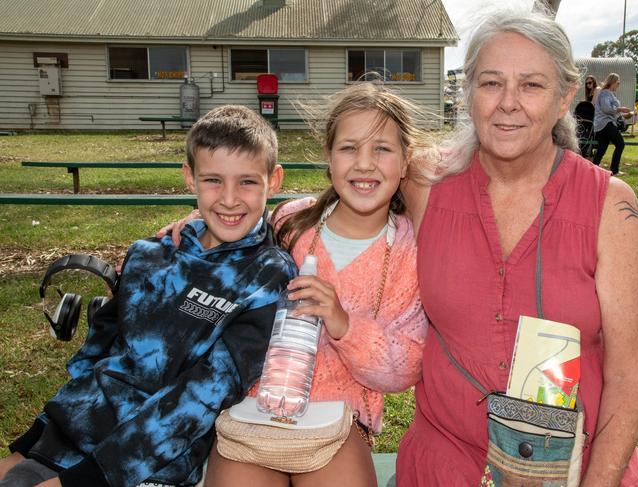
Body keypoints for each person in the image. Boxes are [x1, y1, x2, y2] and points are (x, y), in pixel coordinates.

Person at [396, 9, 638, 487]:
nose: (507, 103)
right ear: (468, 93)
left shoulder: (609, 208)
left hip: (576, 466)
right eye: (491, 83)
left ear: (564, 98)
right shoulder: (425, 183)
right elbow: (351, 188)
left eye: (531, 85)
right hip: (449, 463)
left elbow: (631, 375)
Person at [0, 105, 297, 487]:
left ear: (274, 180)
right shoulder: (148, 254)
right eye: (212, 180)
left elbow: (200, 397)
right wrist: (30, 445)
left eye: (247, 182)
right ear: (189, 178)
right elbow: (96, 358)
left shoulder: (268, 277)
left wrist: (84, 480)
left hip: (147, 465)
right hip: (68, 442)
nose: (229, 199)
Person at [161, 82, 429, 487]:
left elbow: (405, 367)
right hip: (250, 407)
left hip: (340, 421)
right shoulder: (290, 221)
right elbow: (230, 237)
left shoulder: (411, 252)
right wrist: (190, 234)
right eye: (349, 148)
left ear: (405, 161)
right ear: (329, 155)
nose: (364, 164)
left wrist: (344, 324)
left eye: (382, 149)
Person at [592, 72, 635, 175]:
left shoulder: (607, 93)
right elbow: (606, 109)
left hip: (601, 125)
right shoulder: (605, 93)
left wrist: (626, 114)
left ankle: (592, 171)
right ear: (613, 82)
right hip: (606, 124)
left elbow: (611, 112)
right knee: (620, 144)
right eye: (618, 83)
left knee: (602, 149)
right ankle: (614, 170)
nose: (618, 85)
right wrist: (621, 109)